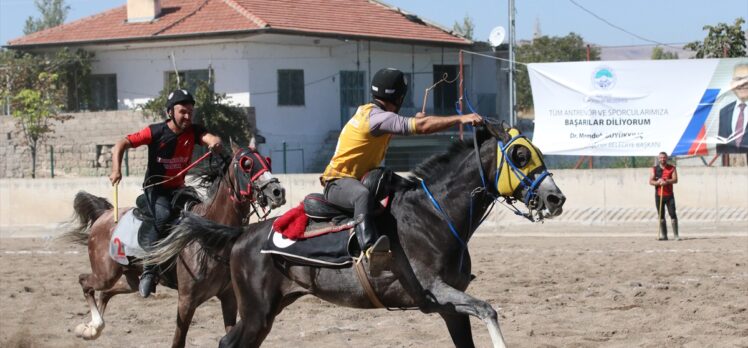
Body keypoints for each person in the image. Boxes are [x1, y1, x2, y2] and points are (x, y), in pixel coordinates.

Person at [320, 68, 483, 272]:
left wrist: (417, 120)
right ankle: (370, 249)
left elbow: (409, 124)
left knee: (411, 191)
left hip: (362, 178)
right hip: (337, 184)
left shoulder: (371, 114)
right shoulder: (378, 118)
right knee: (362, 195)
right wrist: (461, 118)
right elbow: (421, 127)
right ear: (399, 97)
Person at [109, 89, 222, 298]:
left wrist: (214, 141)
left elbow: (210, 137)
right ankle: (149, 271)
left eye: (190, 111)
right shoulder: (155, 132)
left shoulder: (194, 131)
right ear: (170, 112)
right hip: (155, 189)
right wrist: (116, 169)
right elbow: (121, 144)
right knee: (162, 216)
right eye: (182, 112)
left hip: (179, 189)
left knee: (201, 212)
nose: (188, 116)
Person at [717, 63, 748, 154]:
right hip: (731, 166)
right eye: (738, 80)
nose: (742, 84)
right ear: (731, 84)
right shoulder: (724, 112)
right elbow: (720, 146)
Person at [649, 152, 679, 241]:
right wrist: (657, 182)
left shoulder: (672, 168)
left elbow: (675, 180)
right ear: (659, 159)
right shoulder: (654, 169)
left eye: (664, 157)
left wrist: (666, 181)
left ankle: (676, 235)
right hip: (659, 195)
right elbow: (651, 181)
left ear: (666, 158)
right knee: (661, 215)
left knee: (673, 214)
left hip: (669, 195)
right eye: (661, 158)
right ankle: (664, 236)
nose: (662, 159)